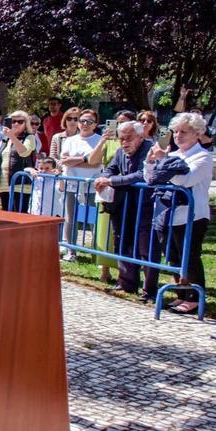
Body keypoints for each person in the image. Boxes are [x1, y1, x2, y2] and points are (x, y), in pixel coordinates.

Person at [145, 112, 213, 315]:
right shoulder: (174, 155)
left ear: (197, 133)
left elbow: (185, 180)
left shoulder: (203, 156)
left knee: (189, 256)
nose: (178, 135)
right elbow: (152, 179)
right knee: (173, 256)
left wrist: (164, 161)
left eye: (184, 132)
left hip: (193, 215)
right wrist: (150, 162)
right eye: (176, 131)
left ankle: (194, 296)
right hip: (169, 214)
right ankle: (181, 293)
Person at [96, 121, 156, 300]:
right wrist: (103, 179)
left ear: (140, 136)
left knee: (146, 248)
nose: (124, 143)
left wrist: (112, 181)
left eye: (128, 138)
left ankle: (149, 290)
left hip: (145, 205)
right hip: (123, 204)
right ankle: (126, 283)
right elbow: (110, 169)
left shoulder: (149, 150)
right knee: (122, 241)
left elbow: (142, 175)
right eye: (121, 139)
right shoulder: (121, 151)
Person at [87, 111, 137, 284]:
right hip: (108, 191)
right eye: (118, 122)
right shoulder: (109, 141)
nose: (120, 125)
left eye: (125, 122)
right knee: (105, 231)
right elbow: (93, 160)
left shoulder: (136, 143)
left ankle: (125, 272)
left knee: (122, 233)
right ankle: (105, 269)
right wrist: (103, 140)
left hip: (127, 191)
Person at [59, 109, 103, 261]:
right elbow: (63, 160)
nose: (85, 124)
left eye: (89, 121)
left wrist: (77, 160)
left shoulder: (99, 140)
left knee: (92, 220)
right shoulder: (71, 140)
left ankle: (96, 254)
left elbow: (96, 163)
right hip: (72, 184)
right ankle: (71, 251)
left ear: (95, 124)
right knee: (70, 219)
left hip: (91, 186)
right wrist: (86, 159)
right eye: (82, 121)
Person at [0, 111, 37, 212]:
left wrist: (12, 136)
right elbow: (0, 157)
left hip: (20, 184)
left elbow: (24, 153)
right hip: (3, 184)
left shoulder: (29, 137)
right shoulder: (5, 139)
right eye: (13, 121)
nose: (16, 124)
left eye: (20, 121)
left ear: (25, 124)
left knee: (19, 215)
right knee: (6, 216)